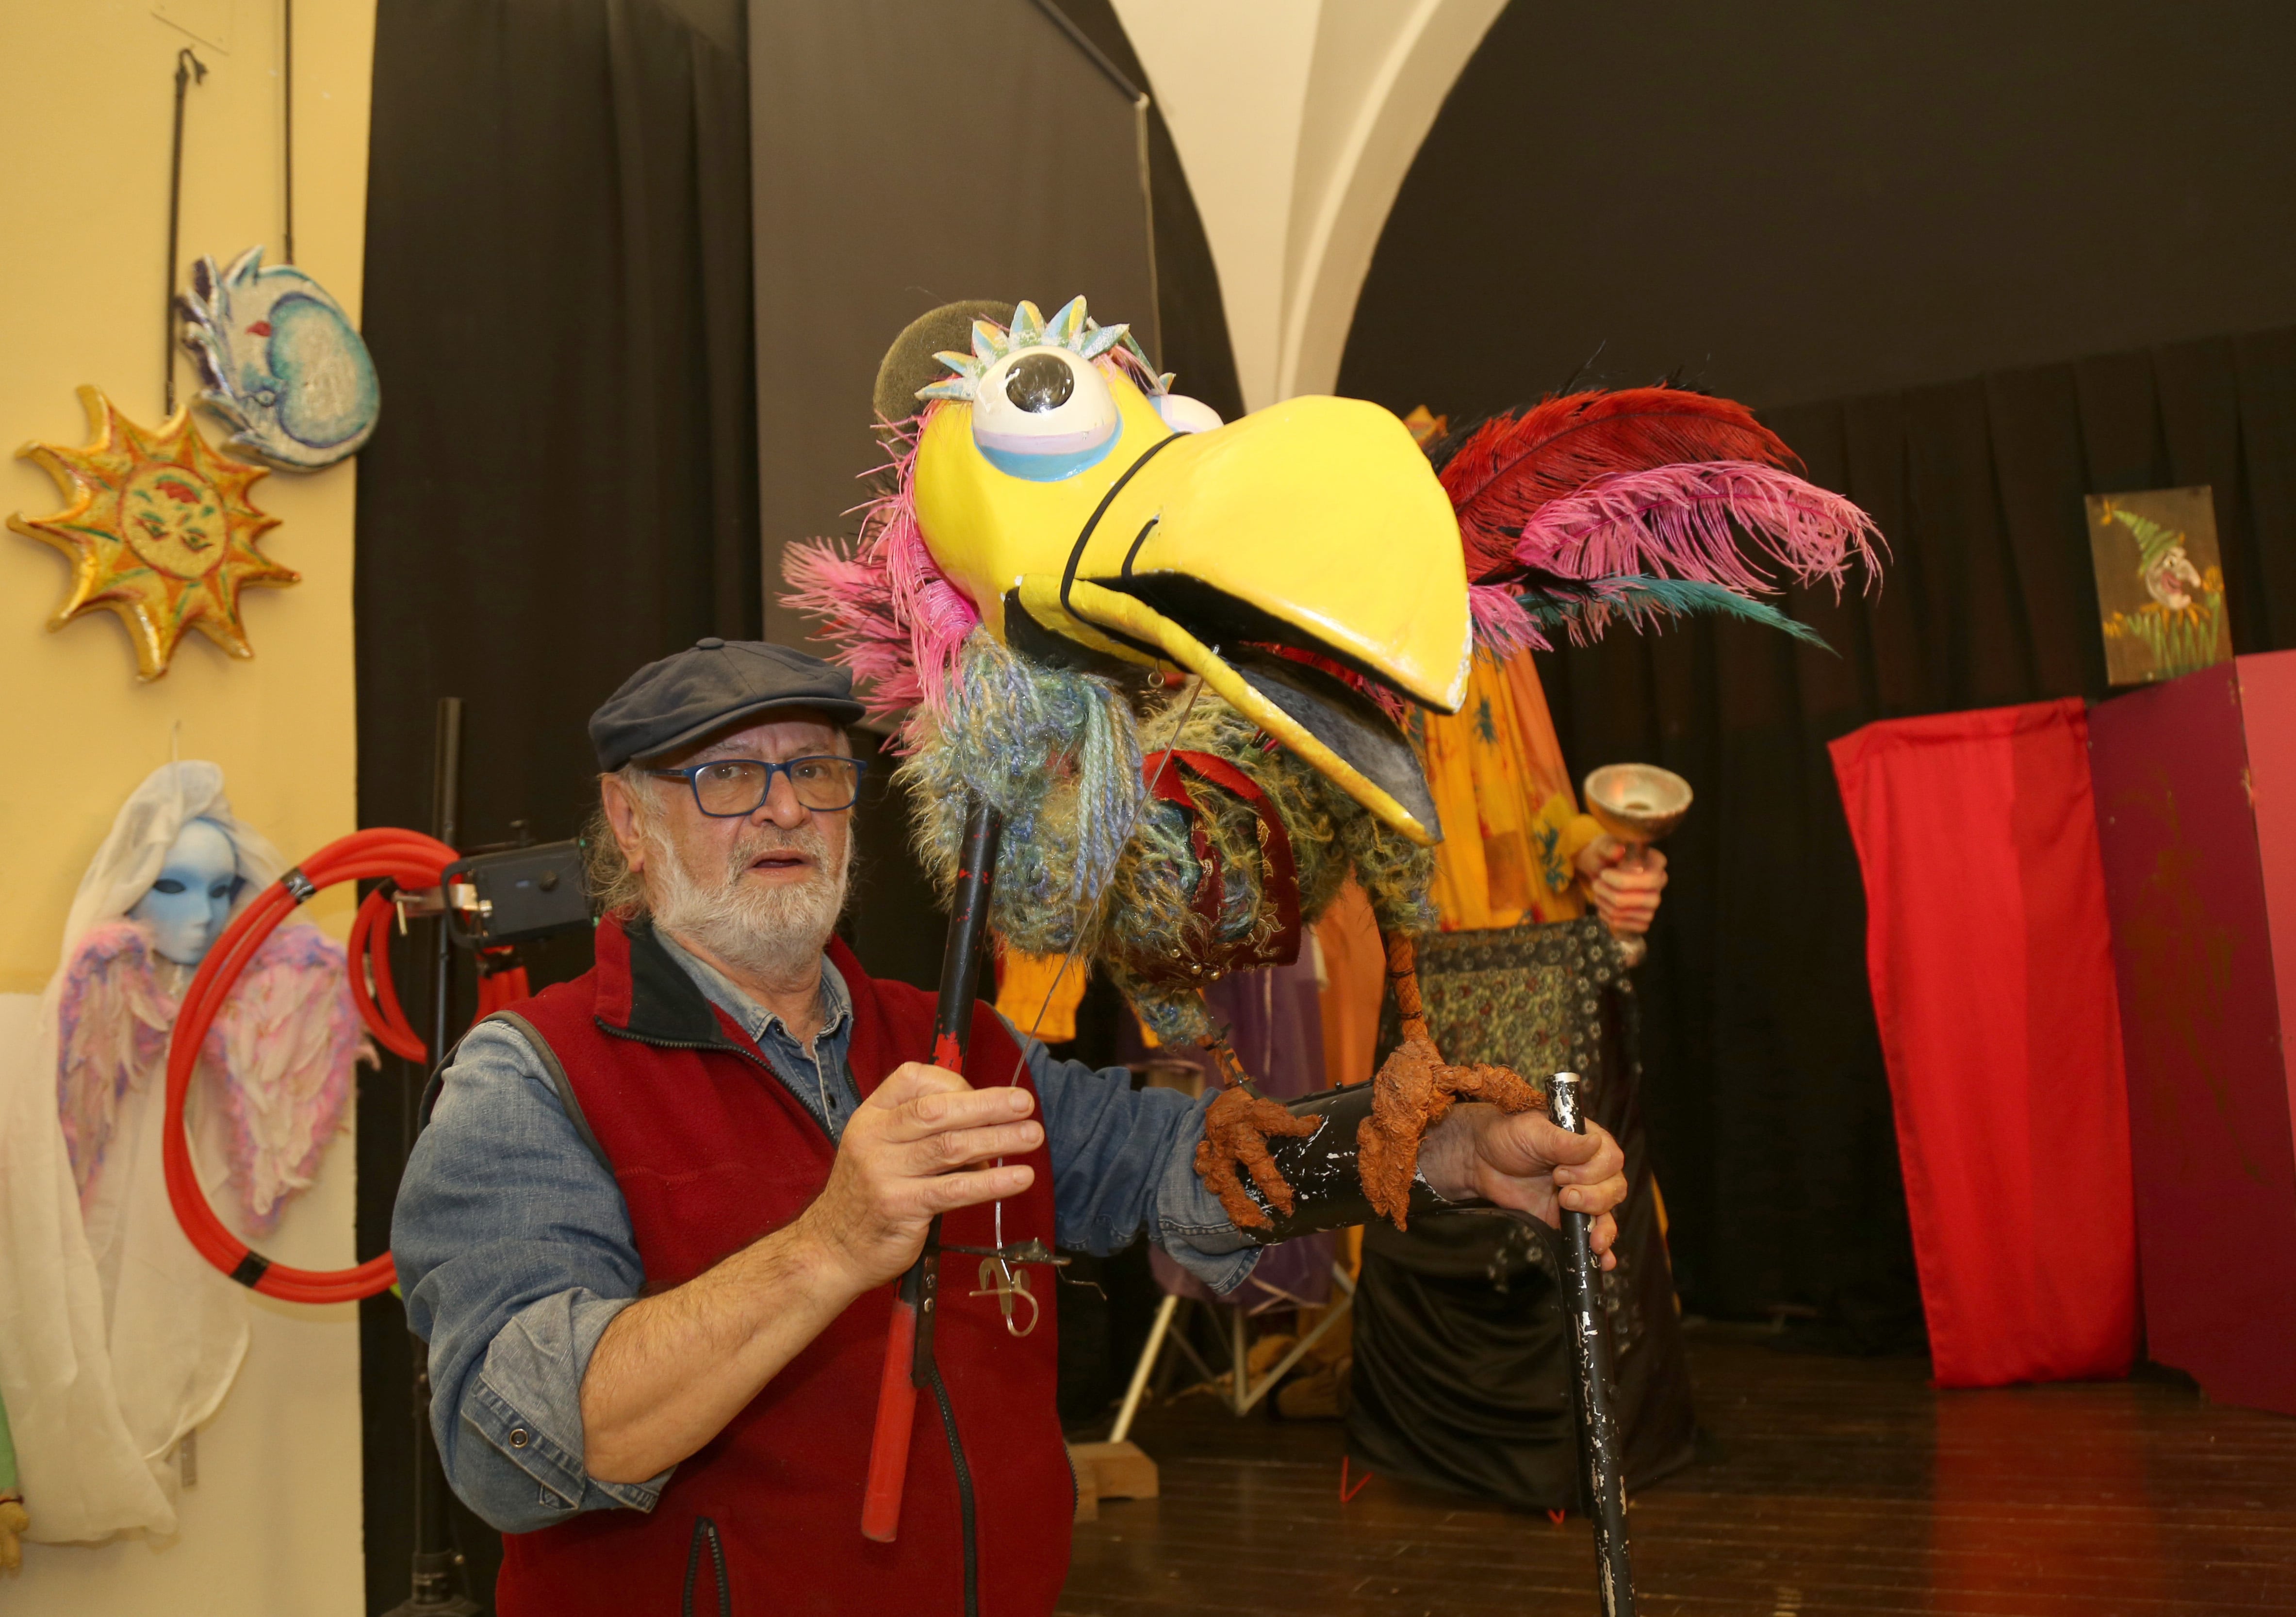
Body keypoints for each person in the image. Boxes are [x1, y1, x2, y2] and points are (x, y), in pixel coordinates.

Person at [392, 637, 1632, 1617]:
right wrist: (831, 1242)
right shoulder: (531, 1078)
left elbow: (1185, 1166)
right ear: (627, 817)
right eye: (725, 775)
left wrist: (1443, 1150)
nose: (781, 810)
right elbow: (517, 1442)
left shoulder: (960, 1047)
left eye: (816, 770)